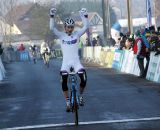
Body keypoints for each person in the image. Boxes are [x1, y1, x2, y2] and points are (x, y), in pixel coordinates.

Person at [49, 7, 89, 112]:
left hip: (76, 63)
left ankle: (80, 96)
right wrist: (52, 16)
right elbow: (52, 28)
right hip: (65, 64)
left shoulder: (77, 34)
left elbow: (86, 26)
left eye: (72, 27)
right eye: (68, 27)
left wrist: (84, 16)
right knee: (64, 81)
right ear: (65, 27)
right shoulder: (61, 35)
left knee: (84, 78)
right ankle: (67, 102)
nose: (70, 29)